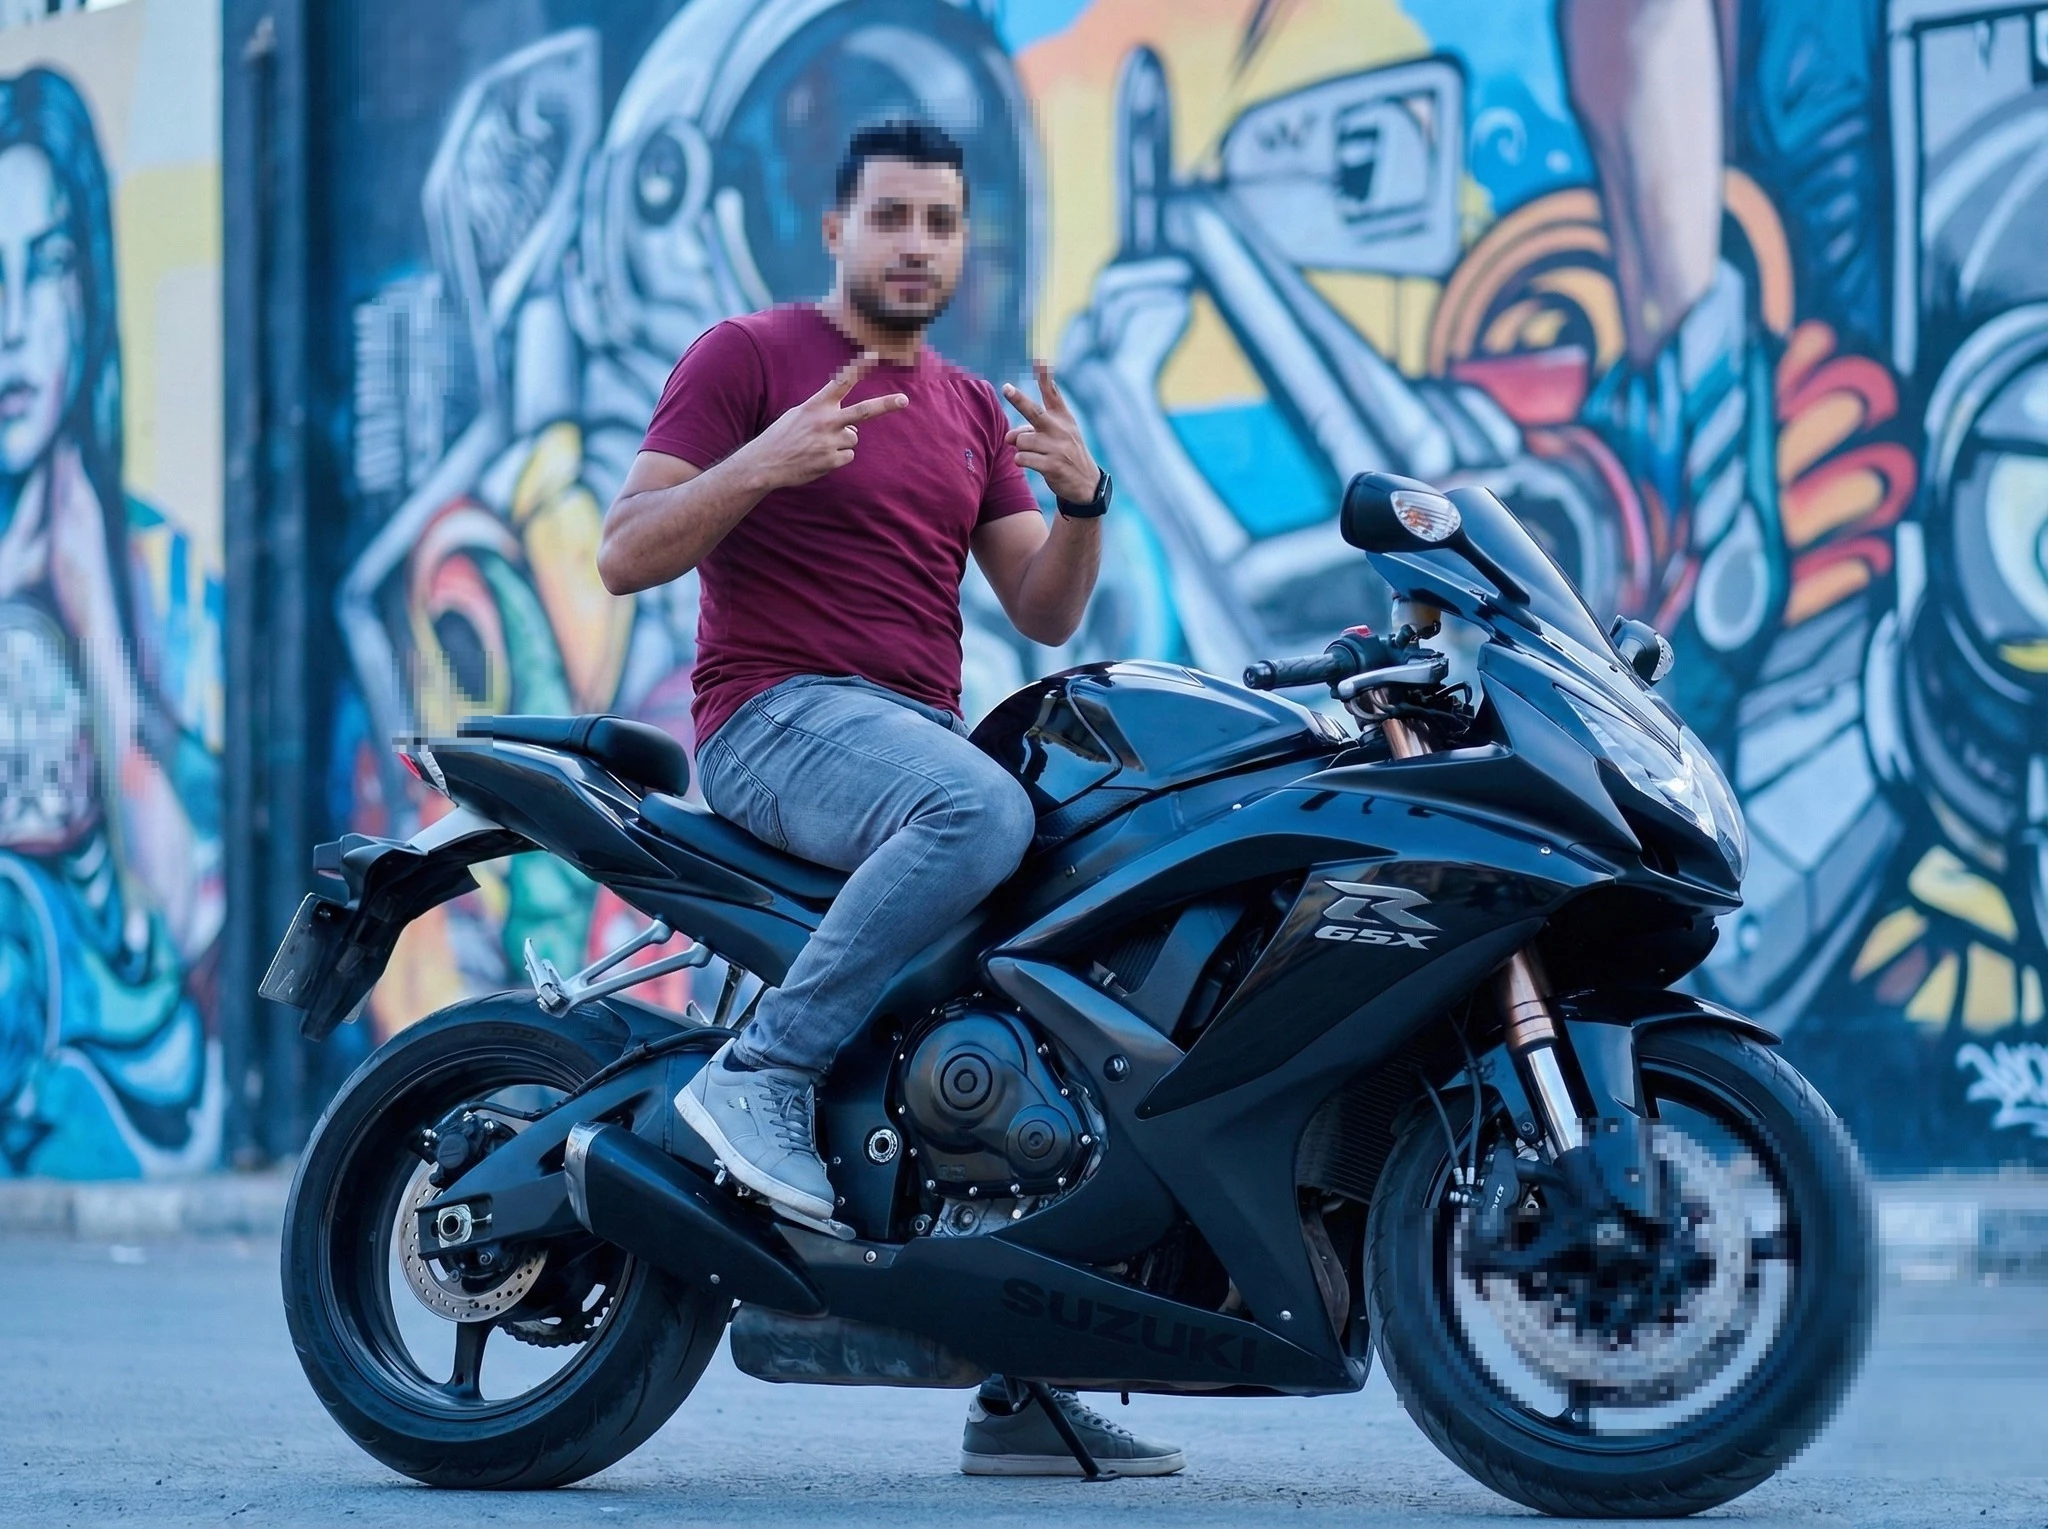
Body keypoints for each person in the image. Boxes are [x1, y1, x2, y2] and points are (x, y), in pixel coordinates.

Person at [597, 118, 1184, 1477]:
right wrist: (763, 465)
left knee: (1083, 924)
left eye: (941, 223)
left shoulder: (973, 410)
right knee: (983, 817)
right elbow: (626, 553)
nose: (917, 246)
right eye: (892, 219)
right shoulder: (748, 358)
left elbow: (1041, 609)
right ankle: (763, 1076)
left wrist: (1087, 499)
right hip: (773, 721)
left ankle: (1015, 1372)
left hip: (904, 739)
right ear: (836, 232)